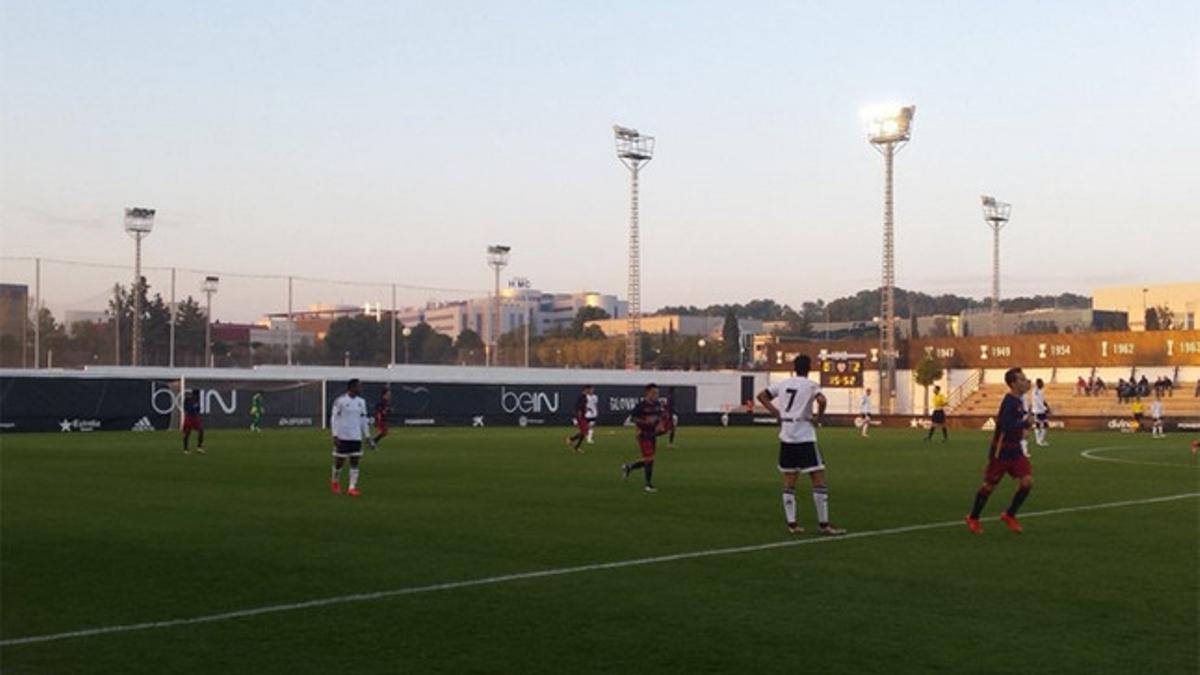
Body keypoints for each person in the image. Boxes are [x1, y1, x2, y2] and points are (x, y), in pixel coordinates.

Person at [756, 355, 847, 536]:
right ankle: (824, 524)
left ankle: (792, 524)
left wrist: (777, 412)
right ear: (809, 368)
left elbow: (762, 396)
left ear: (794, 368)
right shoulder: (811, 385)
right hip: (804, 435)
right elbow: (821, 400)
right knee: (818, 477)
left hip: (787, 436)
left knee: (789, 481)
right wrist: (818, 418)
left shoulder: (783, 384)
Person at [965, 367, 1033, 534]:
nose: (1026, 382)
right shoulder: (1009, 401)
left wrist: (1024, 430)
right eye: (1022, 379)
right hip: (1001, 452)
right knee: (989, 486)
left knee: (1027, 482)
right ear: (1013, 383)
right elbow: (1004, 425)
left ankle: (1009, 515)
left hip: (1015, 450)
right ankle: (973, 518)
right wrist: (1025, 424)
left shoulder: (1019, 400)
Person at [330, 378, 371, 497]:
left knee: (355, 462)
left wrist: (367, 435)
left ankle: (352, 488)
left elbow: (364, 419)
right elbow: (334, 418)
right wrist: (335, 435)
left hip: (356, 437)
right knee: (339, 462)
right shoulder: (340, 401)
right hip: (343, 436)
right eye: (359, 386)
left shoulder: (361, 402)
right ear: (352, 387)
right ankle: (335, 481)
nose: (360, 388)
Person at [621, 384, 663, 493]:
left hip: (652, 434)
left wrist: (659, 425)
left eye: (657, 393)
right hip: (643, 434)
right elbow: (633, 419)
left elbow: (659, 417)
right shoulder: (641, 406)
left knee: (650, 459)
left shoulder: (657, 405)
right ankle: (648, 485)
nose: (656, 395)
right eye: (653, 393)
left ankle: (629, 467)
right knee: (649, 458)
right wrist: (643, 422)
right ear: (647, 393)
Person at [566, 385, 593, 453]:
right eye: (591, 389)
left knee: (584, 432)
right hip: (581, 417)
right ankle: (571, 440)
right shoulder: (582, 397)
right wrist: (580, 416)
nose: (592, 391)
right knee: (585, 431)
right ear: (586, 389)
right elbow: (578, 407)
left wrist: (587, 409)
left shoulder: (584, 397)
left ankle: (575, 445)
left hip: (582, 416)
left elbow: (582, 407)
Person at [181, 389, 205, 454]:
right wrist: (193, 408)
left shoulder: (196, 400)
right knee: (187, 432)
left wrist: (197, 409)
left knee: (201, 431)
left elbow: (198, 409)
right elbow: (186, 409)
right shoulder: (187, 400)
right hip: (189, 417)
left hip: (195, 417)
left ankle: (199, 447)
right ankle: (185, 449)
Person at [1029, 378, 1050, 447]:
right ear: (1038, 384)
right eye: (1041, 383)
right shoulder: (1037, 391)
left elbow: (1042, 400)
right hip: (1038, 410)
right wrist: (1045, 408)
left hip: (1039, 410)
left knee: (1043, 425)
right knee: (1040, 425)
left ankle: (1040, 440)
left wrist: (1046, 405)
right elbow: (1038, 401)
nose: (1043, 384)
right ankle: (1039, 441)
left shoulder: (1038, 390)